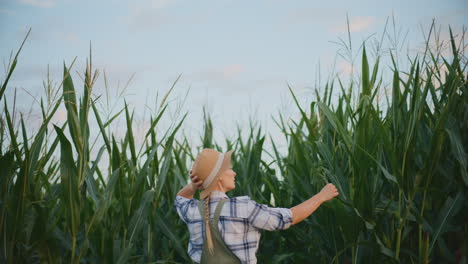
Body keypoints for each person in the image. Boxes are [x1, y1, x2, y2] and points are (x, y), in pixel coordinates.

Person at [174, 148, 339, 264]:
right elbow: (287, 218)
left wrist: (194, 186)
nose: (234, 172)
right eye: (229, 169)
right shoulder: (242, 208)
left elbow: (180, 199)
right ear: (218, 177)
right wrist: (321, 196)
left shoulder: (192, 210)